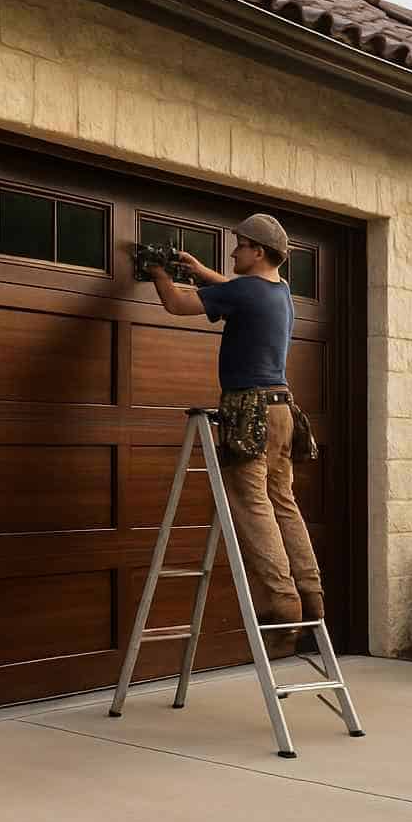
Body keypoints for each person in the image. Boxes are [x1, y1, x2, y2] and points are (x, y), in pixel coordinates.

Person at [144, 213, 322, 657]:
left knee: (253, 506)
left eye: (240, 245)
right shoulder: (280, 293)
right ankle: (311, 597)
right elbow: (239, 292)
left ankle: (282, 609)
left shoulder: (245, 291)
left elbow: (177, 305)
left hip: (249, 411)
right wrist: (203, 273)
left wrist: (157, 272)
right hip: (282, 411)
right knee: (283, 502)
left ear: (257, 251)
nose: (233, 251)